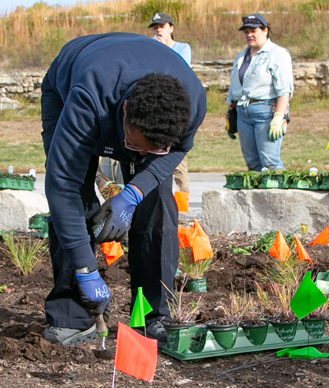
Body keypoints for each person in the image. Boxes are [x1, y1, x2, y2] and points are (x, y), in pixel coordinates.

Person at [40, 34, 207, 346]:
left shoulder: (191, 104)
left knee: (157, 201)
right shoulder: (89, 96)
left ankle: (153, 315)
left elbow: (174, 153)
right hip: (70, 86)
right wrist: (86, 270)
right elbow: (61, 185)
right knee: (77, 197)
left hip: (132, 86)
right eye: (132, 146)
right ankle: (74, 317)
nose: (134, 158)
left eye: (149, 151)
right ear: (126, 110)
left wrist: (134, 192)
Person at [227, 15, 294, 172]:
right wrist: (230, 112)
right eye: (246, 32)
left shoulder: (277, 54)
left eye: (253, 31)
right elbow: (236, 86)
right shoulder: (241, 56)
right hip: (243, 112)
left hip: (265, 111)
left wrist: (279, 116)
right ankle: (257, 197)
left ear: (265, 31)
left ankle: (278, 196)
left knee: (270, 161)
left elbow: (284, 89)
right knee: (253, 164)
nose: (249, 35)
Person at [147, 11, 193, 203]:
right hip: (155, 108)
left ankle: (182, 206)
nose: (159, 30)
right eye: (155, 27)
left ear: (171, 28)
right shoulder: (149, 47)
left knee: (177, 159)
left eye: (162, 26)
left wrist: (161, 50)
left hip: (176, 109)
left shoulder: (182, 48)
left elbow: (177, 70)